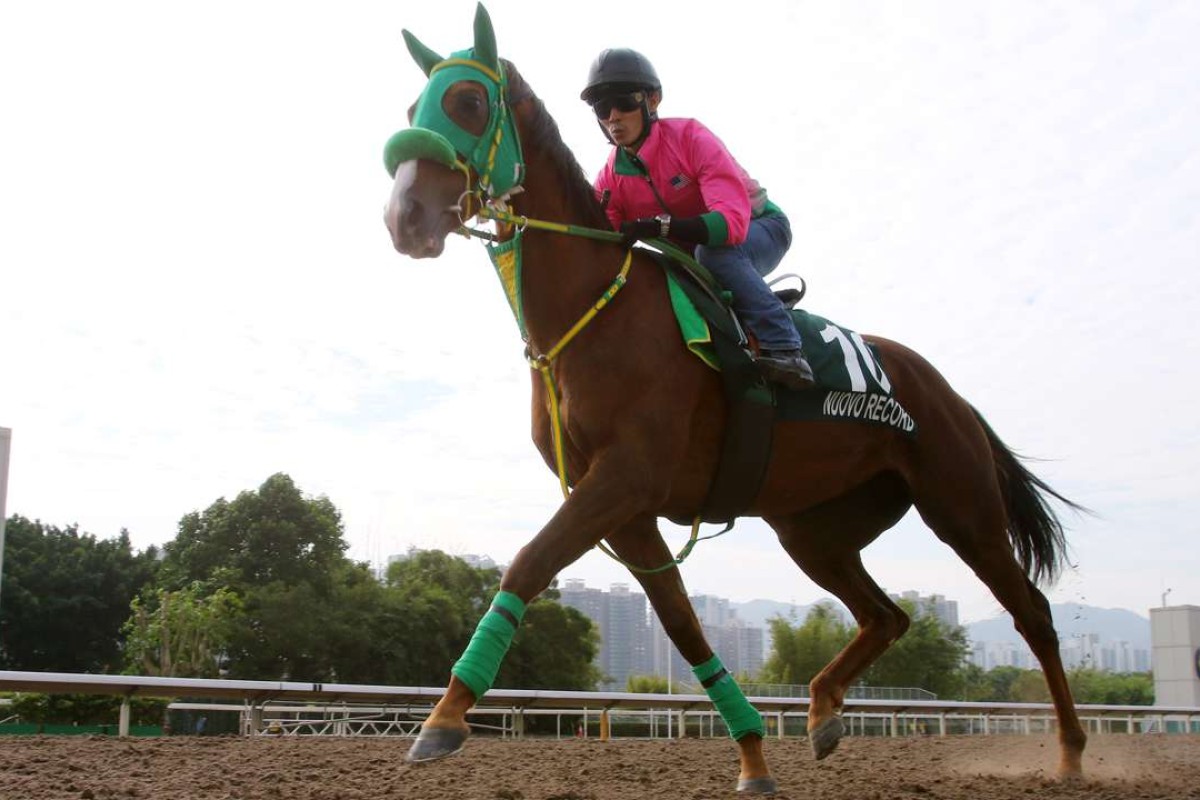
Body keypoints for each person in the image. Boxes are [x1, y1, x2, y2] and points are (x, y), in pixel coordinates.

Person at [582, 48, 814, 389]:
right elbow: (601, 244)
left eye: (623, 102)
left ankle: (786, 345)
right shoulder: (609, 180)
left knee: (714, 253)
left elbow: (731, 226)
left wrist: (662, 226)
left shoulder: (691, 138)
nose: (613, 117)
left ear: (653, 99)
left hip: (762, 227)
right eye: (602, 108)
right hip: (692, 257)